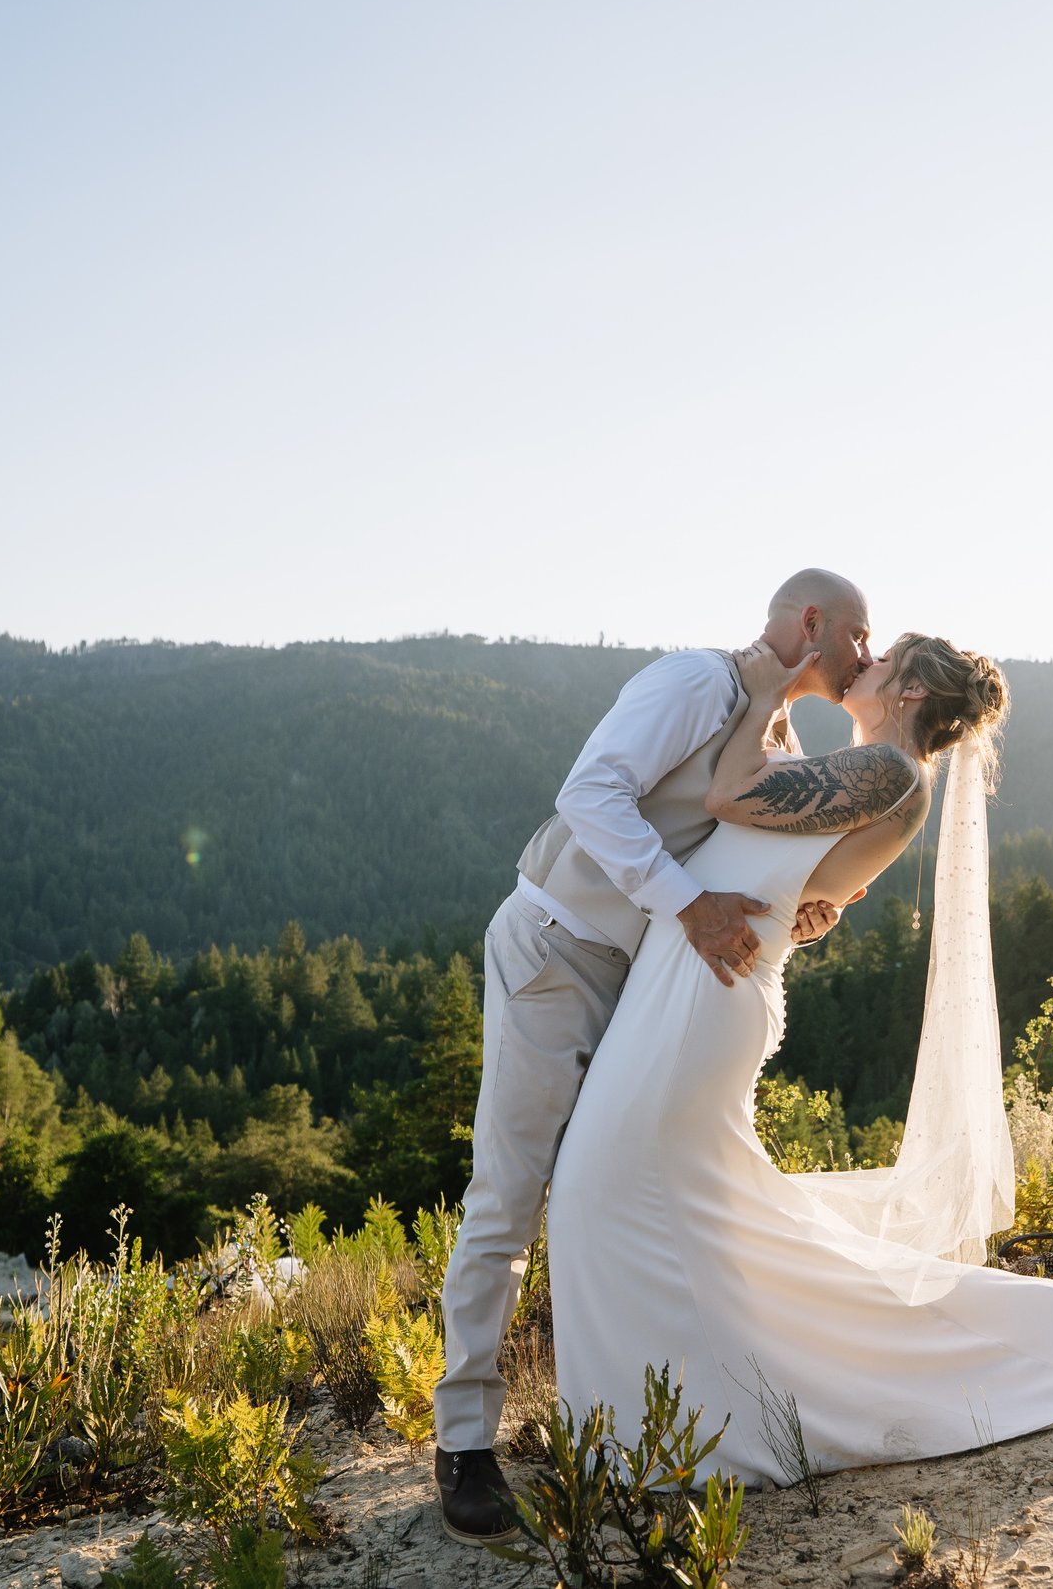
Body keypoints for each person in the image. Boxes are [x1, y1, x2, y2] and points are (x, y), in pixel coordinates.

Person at [547, 635, 1053, 1489]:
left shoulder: (891, 775)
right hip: (697, 983)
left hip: (701, 1001)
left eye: (884, 657)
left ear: (910, 688)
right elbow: (797, 893)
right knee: (668, 1205)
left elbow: (728, 794)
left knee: (601, 1185)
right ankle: (687, 1407)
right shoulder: (865, 771)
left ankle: (674, 1422)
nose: (866, 659)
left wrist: (769, 684)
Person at [432, 569, 876, 1543]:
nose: (866, 656)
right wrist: (685, 904)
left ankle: (623, 1410)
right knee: (508, 1190)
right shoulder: (694, 684)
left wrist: (802, 907)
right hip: (555, 950)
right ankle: (463, 1439)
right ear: (812, 623)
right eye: (857, 633)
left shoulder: (781, 736)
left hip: (648, 983)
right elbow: (589, 793)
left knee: (626, 1185)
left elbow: (737, 858)